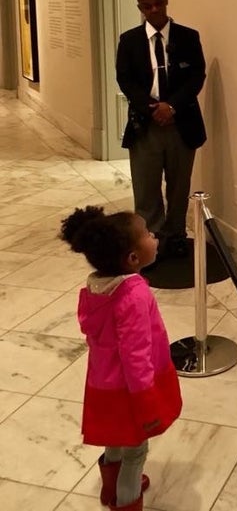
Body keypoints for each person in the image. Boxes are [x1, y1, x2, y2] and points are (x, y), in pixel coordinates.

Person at [59, 205, 182, 511]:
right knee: (135, 452)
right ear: (133, 258)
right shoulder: (133, 294)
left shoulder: (94, 289)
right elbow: (135, 354)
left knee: (115, 439)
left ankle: (109, 488)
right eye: (148, 235)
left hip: (104, 383)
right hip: (131, 391)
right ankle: (126, 500)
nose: (154, 238)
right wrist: (146, 402)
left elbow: (94, 333)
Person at [116, 0, 206, 259]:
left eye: (158, 3)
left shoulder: (188, 37)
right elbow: (125, 80)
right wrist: (152, 108)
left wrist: (172, 106)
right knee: (146, 188)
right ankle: (150, 241)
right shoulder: (129, 41)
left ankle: (176, 236)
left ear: (166, 0)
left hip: (181, 123)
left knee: (180, 186)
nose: (154, 10)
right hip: (146, 125)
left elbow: (196, 76)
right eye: (147, 6)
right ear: (140, 8)